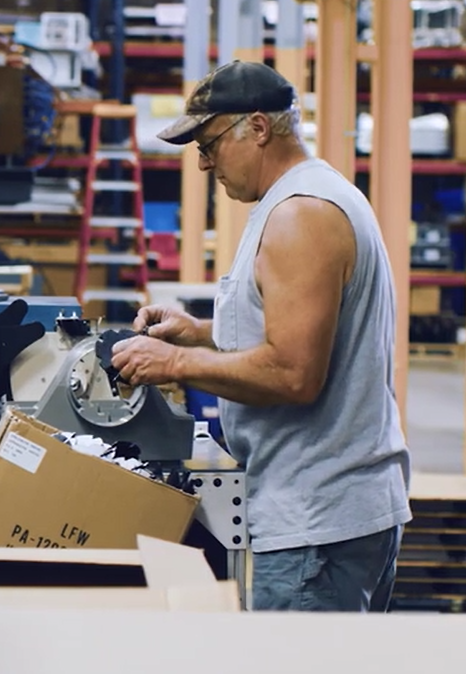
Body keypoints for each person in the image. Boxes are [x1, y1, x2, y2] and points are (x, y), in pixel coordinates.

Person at [110, 60, 412, 612]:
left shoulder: (303, 215)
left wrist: (174, 365)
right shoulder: (301, 199)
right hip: (322, 511)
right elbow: (290, 330)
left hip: (317, 522)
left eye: (209, 144)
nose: (202, 163)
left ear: (257, 127)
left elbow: (294, 374)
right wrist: (199, 334)